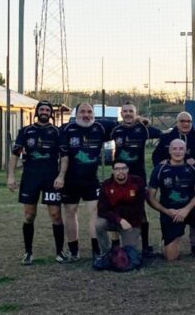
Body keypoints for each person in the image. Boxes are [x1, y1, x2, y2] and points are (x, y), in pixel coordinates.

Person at [7, 101, 67, 265]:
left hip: (51, 179)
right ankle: (28, 252)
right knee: (29, 215)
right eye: (42, 109)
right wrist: (11, 176)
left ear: (51, 113)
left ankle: (60, 252)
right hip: (30, 178)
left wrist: (61, 176)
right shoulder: (26, 131)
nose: (45, 112)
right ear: (36, 112)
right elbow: (14, 155)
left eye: (48, 110)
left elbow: (64, 156)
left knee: (55, 215)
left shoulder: (56, 131)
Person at [60, 102, 118, 261]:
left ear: (94, 113)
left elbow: (124, 124)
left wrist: (140, 119)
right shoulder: (66, 129)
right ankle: (74, 251)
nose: (86, 115)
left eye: (89, 112)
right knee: (70, 212)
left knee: (95, 212)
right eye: (82, 112)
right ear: (76, 114)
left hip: (91, 180)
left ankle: (96, 250)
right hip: (70, 180)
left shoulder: (100, 127)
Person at [152, 112, 195, 253]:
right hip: (171, 180)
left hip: (192, 180)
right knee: (169, 207)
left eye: (188, 121)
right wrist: (162, 164)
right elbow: (156, 156)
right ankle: (167, 240)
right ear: (177, 122)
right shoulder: (167, 138)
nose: (185, 124)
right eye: (182, 121)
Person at [110, 100, 162, 254]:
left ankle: (145, 246)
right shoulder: (115, 130)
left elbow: (161, 134)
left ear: (135, 113)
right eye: (125, 111)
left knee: (140, 211)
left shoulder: (143, 129)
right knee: (116, 209)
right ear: (121, 114)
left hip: (138, 177)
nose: (127, 114)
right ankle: (115, 245)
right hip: (119, 177)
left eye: (131, 111)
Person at [146, 139, 195, 262]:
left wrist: (186, 210)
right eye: (174, 149)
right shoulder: (160, 169)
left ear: (185, 151)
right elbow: (150, 198)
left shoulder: (193, 167)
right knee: (171, 258)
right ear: (169, 150)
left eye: (181, 149)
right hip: (171, 212)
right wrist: (166, 211)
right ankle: (167, 240)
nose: (177, 152)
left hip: (190, 209)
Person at [95, 161, 146, 257]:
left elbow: (139, 207)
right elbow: (102, 210)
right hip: (114, 220)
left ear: (128, 170)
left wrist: (126, 220)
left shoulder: (137, 182)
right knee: (99, 224)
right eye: (117, 169)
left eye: (123, 168)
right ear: (113, 171)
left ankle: (128, 249)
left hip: (131, 222)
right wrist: (119, 220)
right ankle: (105, 253)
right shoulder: (106, 184)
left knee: (129, 255)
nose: (120, 171)